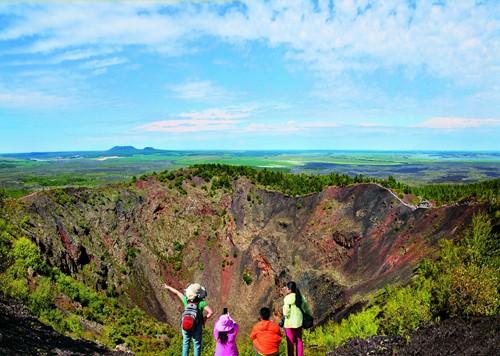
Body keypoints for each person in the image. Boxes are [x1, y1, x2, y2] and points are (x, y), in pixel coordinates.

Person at [163, 282, 213, 356]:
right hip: (197, 326)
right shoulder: (201, 303)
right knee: (197, 345)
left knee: (185, 343)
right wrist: (204, 319)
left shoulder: (185, 299)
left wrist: (168, 287)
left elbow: (177, 292)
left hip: (186, 324)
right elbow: (211, 312)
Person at [282, 281, 311, 356]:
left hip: (289, 324)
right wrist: (309, 315)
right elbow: (307, 308)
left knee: (290, 342)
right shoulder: (301, 297)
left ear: (289, 289)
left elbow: (286, 312)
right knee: (299, 340)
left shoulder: (287, 298)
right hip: (299, 321)